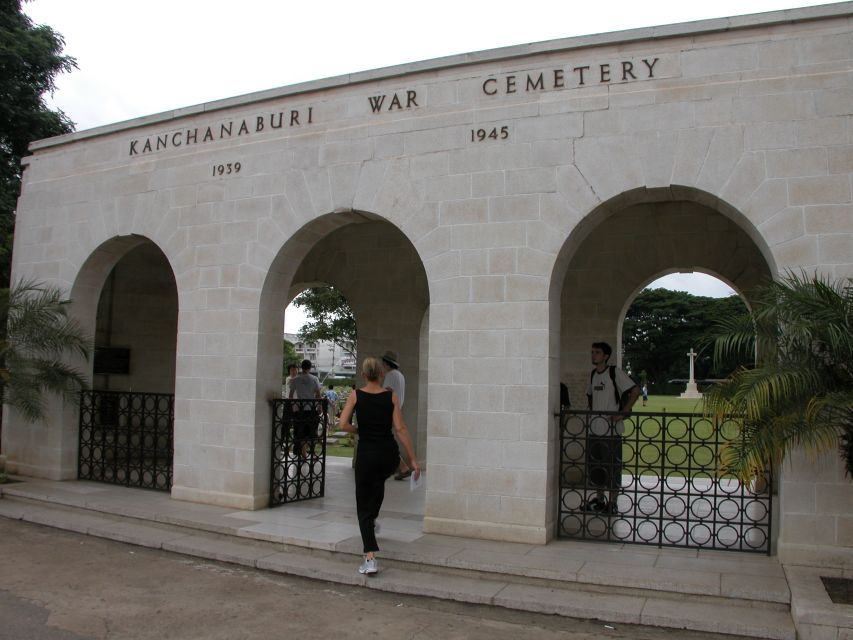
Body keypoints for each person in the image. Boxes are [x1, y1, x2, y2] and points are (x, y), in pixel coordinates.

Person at [339, 356, 419, 576]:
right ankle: (372, 520)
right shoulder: (391, 397)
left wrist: (359, 430)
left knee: (362, 508)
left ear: (364, 375)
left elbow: (343, 424)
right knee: (377, 485)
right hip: (388, 456)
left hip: (367, 455)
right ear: (382, 374)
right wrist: (412, 459)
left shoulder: (356, 395)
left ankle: (370, 558)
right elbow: (401, 429)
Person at [585, 342, 640, 515]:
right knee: (596, 467)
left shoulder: (614, 372)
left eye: (597, 352)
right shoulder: (593, 374)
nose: (594, 355)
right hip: (595, 429)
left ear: (606, 356)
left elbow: (635, 390)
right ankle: (600, 500)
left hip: (611, 431)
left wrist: (623, 413)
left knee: (612, 467)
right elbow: (590, 395)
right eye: (592, 352)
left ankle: (613, 502)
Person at [380, 350, 411, 481]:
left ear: (387, 364)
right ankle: (398, 466)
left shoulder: (390, 375)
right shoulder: (400, 375)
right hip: (396, 410)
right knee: (385, 440)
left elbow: (386, 392)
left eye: (383, 363)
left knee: (384, 441)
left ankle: (403, 467)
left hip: (388, 411)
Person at [289, 359, 322, 458]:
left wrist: (294, 406)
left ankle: (304, 452)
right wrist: (320, 406)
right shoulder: (314, 379)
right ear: (310, 367)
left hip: (300, 409)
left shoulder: (296, 379)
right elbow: (318, 395)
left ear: (301, 367)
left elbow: (291, 395)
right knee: (312, 430)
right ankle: (311, 452)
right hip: (311, 409)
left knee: (301, 431)